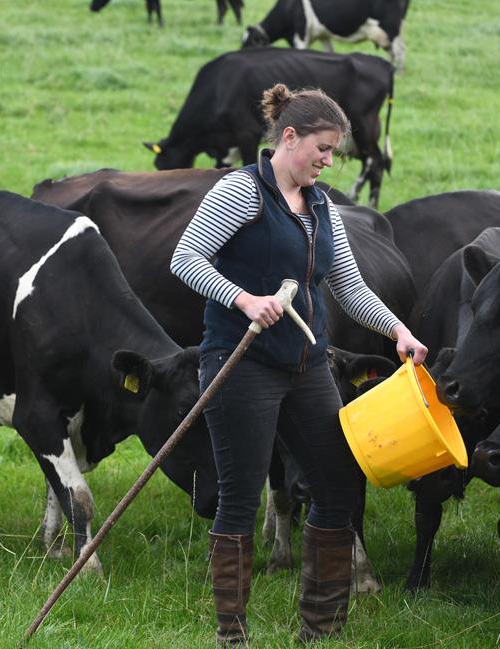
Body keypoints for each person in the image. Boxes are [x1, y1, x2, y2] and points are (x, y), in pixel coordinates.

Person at [170, 83, 427, 645]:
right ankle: (232, 636)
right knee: (239, 497)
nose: (329, 161)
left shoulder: (322, 205)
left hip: (308, 367)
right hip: (241, 365)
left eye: (335, 152)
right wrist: (243, 298)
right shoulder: (241, 191)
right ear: (290, 137)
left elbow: (349, 285)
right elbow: (184, 257)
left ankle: (320, 630)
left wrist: (399, 330)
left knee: (337, 480)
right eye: (323, 149)